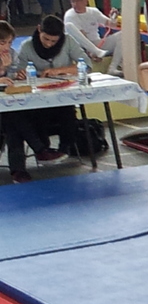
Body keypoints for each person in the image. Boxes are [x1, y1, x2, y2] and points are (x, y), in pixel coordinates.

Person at [3, 16, 88, 183]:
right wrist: (4, 71)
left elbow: (14, 76)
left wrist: (15, 73)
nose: (49, 44)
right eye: (2, 43)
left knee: (15, 117)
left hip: (43, 99)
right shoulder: (27, 47)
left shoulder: (11, 53)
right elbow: (11, 74)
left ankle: (26, 165)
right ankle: (40, 150)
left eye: (9, 43)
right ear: (39, 30)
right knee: (13, 118)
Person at [64, 0, 122, 72]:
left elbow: (111, 25)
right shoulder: (70, 15)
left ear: (85, 1)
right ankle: (96, 52)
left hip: (97, 43)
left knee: (122, 35)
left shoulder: (93, 11)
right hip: (80, 46)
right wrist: (90, 52)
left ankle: (113, 68)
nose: (75, 4)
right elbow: (82, 37)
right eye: (73, 1)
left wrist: (113, 18)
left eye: (78, 1)